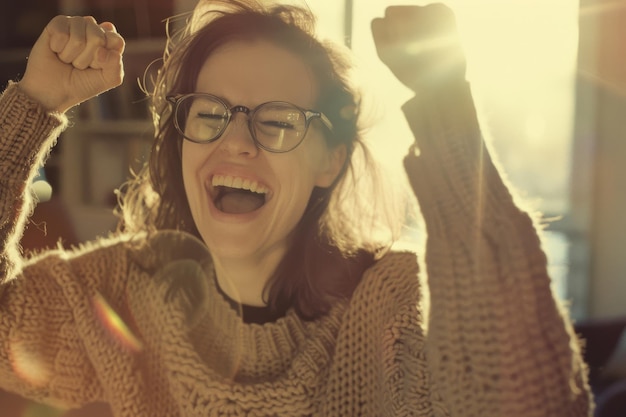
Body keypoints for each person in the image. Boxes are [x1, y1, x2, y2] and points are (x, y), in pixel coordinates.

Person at [0, 0, 594, 416]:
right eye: (210, 113)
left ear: (329, 162)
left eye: (279, 120)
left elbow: (531, 400)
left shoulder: (390, 305)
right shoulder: (124, 287)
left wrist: (446, 113)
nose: (236, 141)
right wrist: (32, 105)